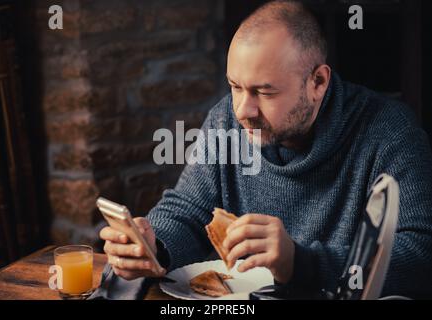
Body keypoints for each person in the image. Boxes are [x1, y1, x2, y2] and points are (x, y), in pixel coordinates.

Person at [100, 0, 432, 298]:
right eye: (235, 86)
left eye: (265, 92)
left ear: (318, 82)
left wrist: (300, 263)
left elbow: (421, 254)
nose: (244, 109)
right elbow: (187, 210)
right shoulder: (227, 120)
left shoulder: (388, 131)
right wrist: (153, 245)